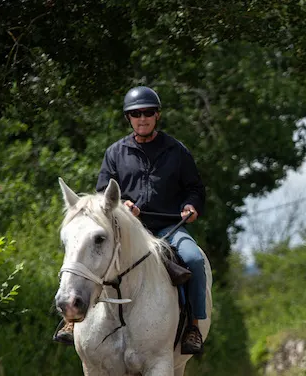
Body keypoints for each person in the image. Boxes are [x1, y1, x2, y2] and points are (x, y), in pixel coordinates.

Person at [54, 85, 208, 355]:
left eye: (148, 112)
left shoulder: (177, 151)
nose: (142, 118)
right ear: (129, 118)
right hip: (125, 232)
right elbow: (102, 193)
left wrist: (190, 205)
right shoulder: (115, 153)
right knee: (84, 253)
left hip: (168, 229)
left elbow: (194, 187)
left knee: (194, 259)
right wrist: (122, 206)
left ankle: (192, 327)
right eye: (136, 113)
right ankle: (71, 321)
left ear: (157, 115)